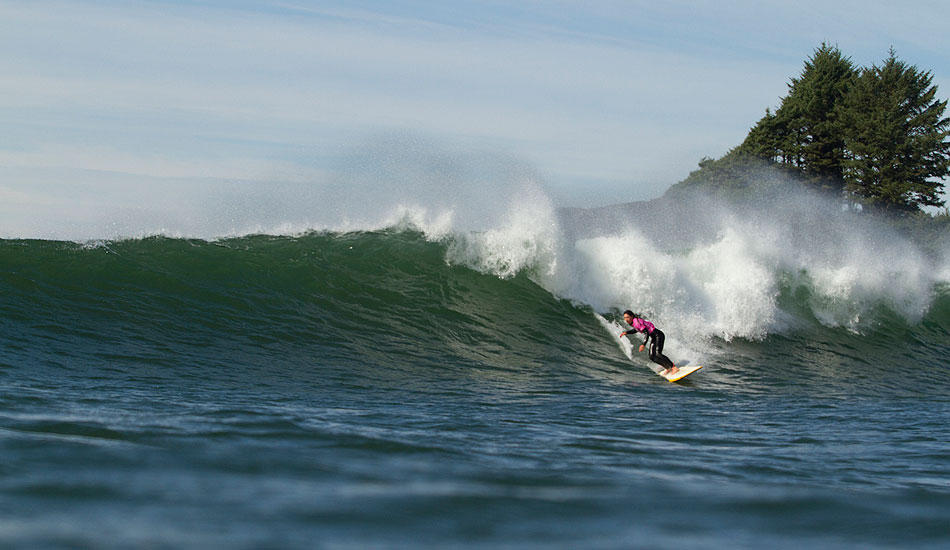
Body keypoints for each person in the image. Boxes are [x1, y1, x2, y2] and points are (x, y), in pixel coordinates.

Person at [619, 310, 678, 376]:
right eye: (625, 318)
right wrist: (627, 332)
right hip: (654, 337)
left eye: (627, 317)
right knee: (652, 356)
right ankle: (668, 368)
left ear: (632, 316)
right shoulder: (634, 322)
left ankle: (674, 367)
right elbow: (636, 329)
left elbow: (646, 332)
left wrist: (643, 344)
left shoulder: (637, 322)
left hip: (658, 335)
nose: (626, 319)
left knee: (658, 354)